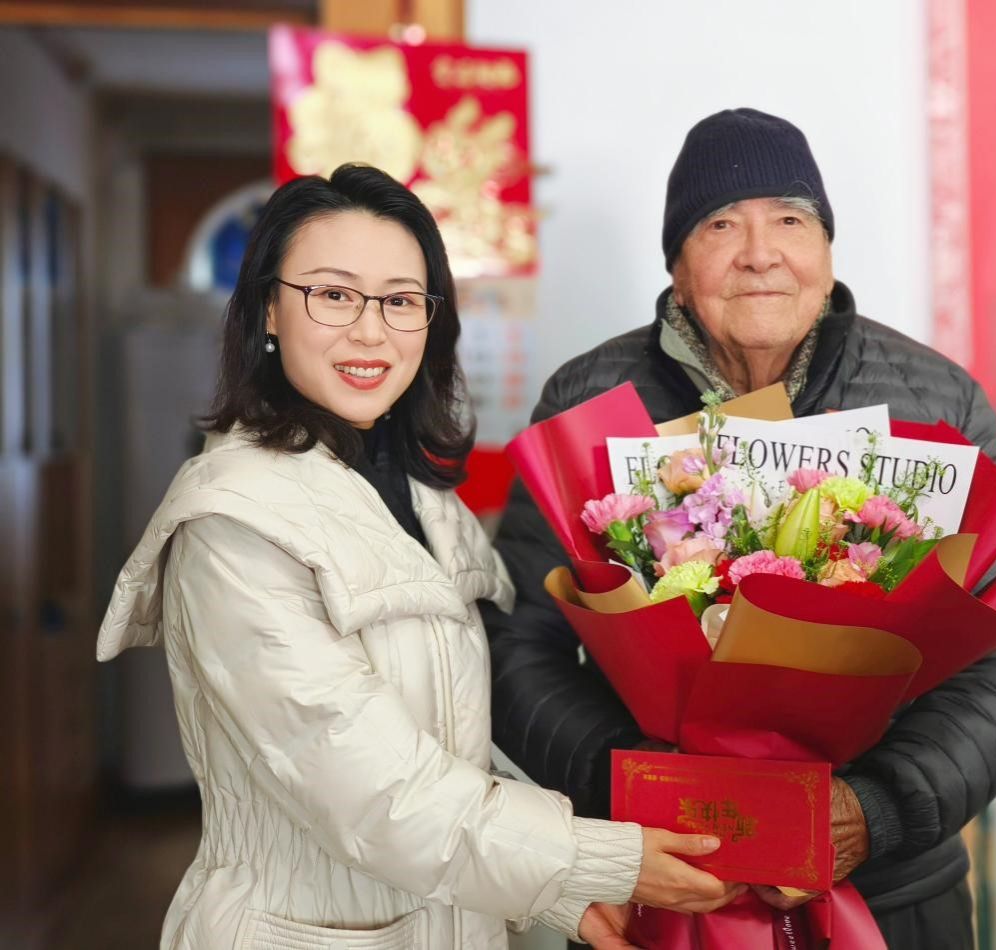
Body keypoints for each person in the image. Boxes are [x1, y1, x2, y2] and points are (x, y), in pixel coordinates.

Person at [96, 164, 743, 950]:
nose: (371, 331)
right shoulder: (233, 523)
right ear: (268, 308)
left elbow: (456, 748)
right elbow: (372, 793)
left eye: (401, 300)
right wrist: (596, 860)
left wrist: (559, 898)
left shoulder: (424, 499)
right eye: (333, 295)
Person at [484, 109, 996, 948]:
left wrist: (874, 809)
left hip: (894, 895)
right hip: (659, 883)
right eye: (720, 225)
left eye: (790, 220)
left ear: (826, 253)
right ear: (678, 269)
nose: (760, 252)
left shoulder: (936, 403)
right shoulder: (589, 405)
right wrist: (640, 790)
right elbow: (516, 646)